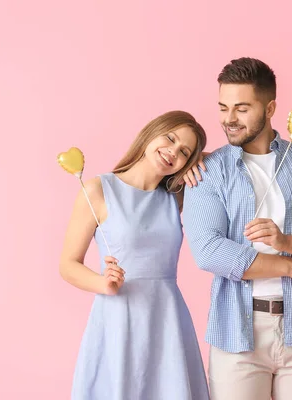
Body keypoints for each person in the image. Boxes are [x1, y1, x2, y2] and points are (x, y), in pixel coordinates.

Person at [182, 57, 292, 400]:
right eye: (223, 107)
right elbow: (208, 251)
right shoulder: (209, 169)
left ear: (270, 107)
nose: (229, 119)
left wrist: (286, 240)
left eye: (242, 108)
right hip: (237, 333)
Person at [59, 110, 210, 400]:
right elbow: (67, 264)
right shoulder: (98, 190)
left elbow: (225, 162)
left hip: (167, 320)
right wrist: (102, 283)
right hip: (118, 318)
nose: (172, 152)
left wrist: (203, 158)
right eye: (170, 138)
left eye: (184, 152)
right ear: (151, 132)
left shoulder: (177, 196)